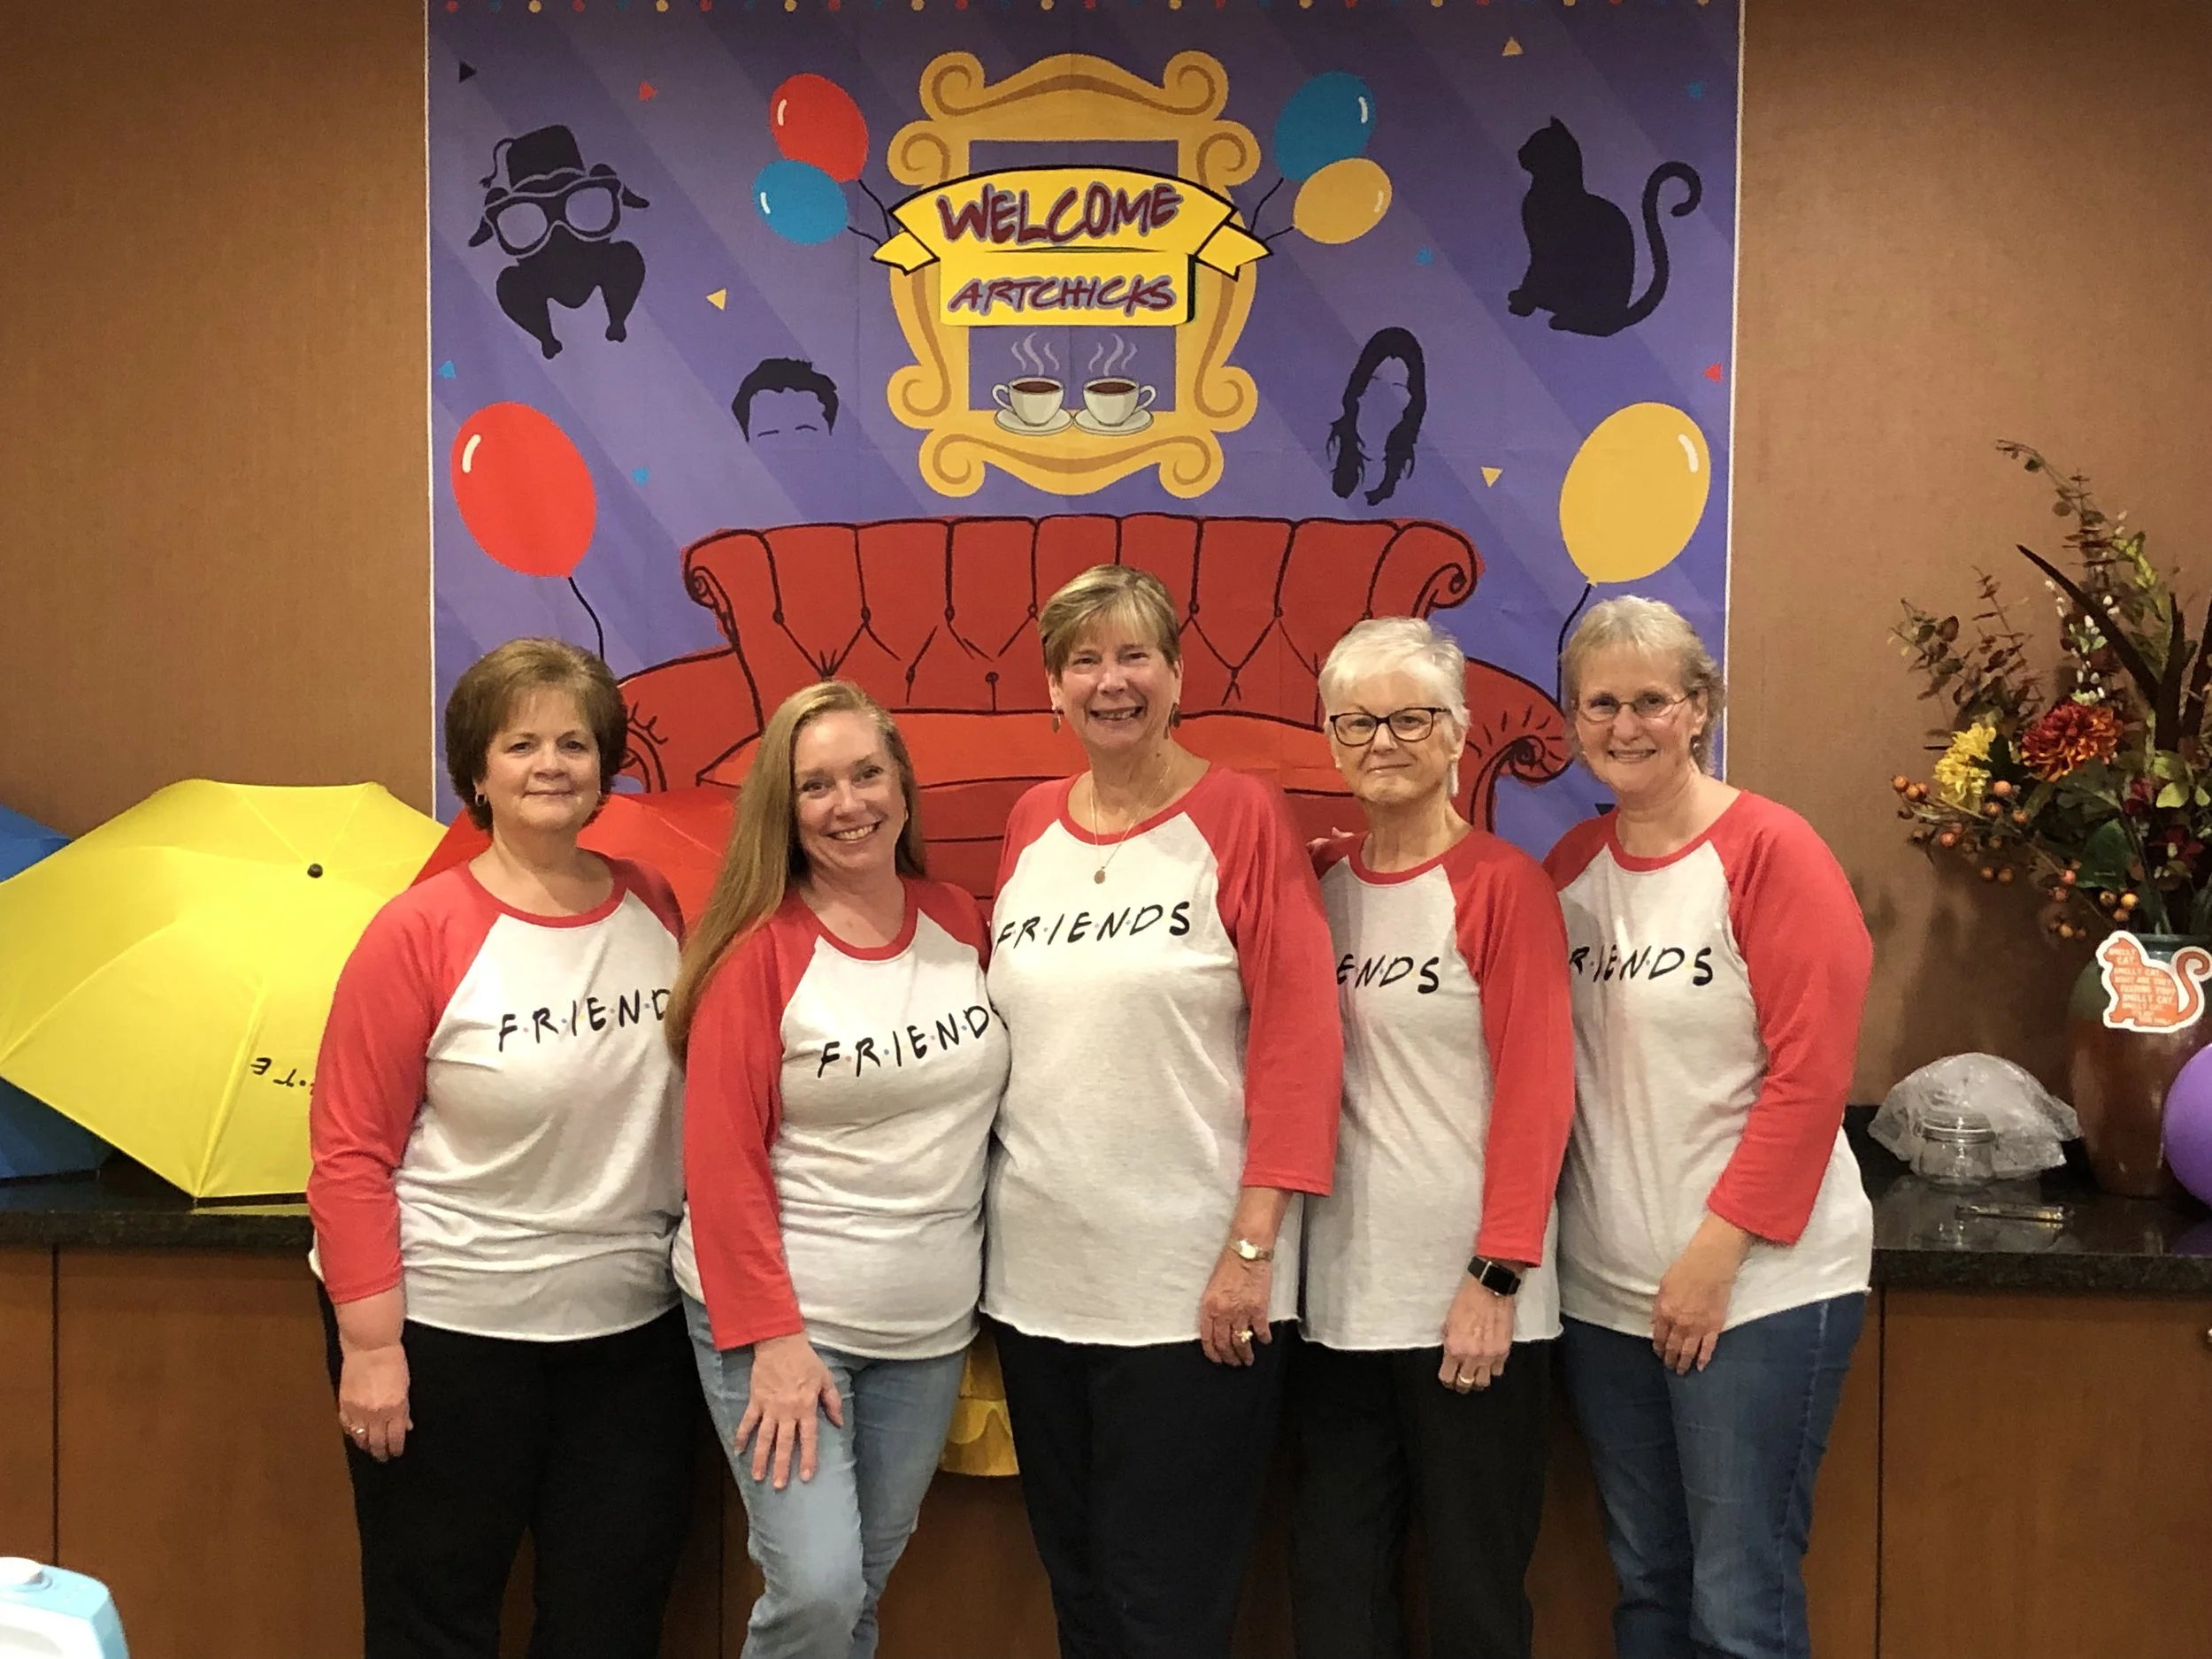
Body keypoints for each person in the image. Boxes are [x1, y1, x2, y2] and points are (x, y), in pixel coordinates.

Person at [307, 637, 693, 1659]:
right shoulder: (417, 931)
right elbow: (349, 1153)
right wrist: (372, 1347)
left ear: (606, 764)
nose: (551, 765)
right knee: (433, 1622)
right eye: (520, 745)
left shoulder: (653, 902)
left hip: (630, 1338)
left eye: (574, 743)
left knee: (610, 1625)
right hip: (448, 1335)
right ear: (477, 775)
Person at [985, 564, 1343, 1659]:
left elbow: (1299, 1044)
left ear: (1178, 675)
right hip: (1038, 1286)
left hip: (1191, 1290)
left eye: (1134, 655)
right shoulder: (1030, 823)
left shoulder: (1241, 816)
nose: (1111, 682)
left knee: (1165, 1604)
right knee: (1081, 1588)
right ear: (1052, 690)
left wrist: (1251, 1248)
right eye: (1083, 661)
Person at [1544, 597, 1873, 1659]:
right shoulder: (1569, 867)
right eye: (1601, 704)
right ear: (1573, 718)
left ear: (1698, 709)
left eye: (1651, 701)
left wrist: (1713, 1256)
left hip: (1756, 1288)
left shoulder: (1772, 851)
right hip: (1605, 1293)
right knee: (1647, 1581)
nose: (1625, 725)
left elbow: (1810, 1079)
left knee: (1737, 1604)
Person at [666, 679, 1006, 1659]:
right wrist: (773, 1340)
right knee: (815, 1589)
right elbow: (719, 1167)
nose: (847, 803)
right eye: (816, 786)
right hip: (787, 1326)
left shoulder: (956, 919)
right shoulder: (757, 956)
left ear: (902, 786)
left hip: (927, 1327)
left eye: (866, 774)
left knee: (861, 1584)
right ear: (785, 808)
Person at [1294, 617, 1578, 1659]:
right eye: (1356, 721)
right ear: (1330, 739)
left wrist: (1495, 1275)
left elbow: (1539, 1091)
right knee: (1334, 1591)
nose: (1382, 741)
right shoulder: (1320, 890)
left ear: (1457, 731)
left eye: (1409, 718)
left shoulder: (1502, 885)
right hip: (1338, 1306)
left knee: (1473, 1599)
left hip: (1472, 1303)